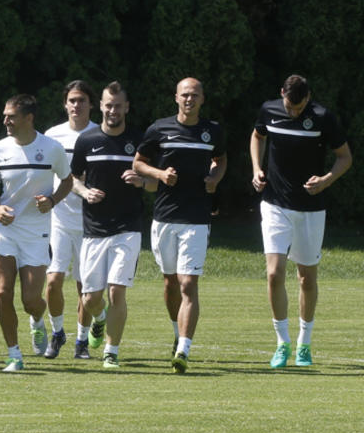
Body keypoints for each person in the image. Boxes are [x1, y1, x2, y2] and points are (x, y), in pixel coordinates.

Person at [250, 74, 352, 368]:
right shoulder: (269, 109)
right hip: (274, 204)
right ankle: (281, 343)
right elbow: (257, 136)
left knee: (306, 277)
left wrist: (326, 180)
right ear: (281, 93)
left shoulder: (323, 117)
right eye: (289, 106)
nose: (293, 112)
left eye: (299, 107)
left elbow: (345, 157)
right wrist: (256, 169)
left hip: (310, 208)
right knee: (274, 273)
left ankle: (304, 344)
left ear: (308, 98)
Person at [134, 77, 226, 373]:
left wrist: (215, 177)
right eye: (185, 94)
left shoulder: (212, 131)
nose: (189, 99)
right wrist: (160, 174)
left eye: (195, 95)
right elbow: (138, 163)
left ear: (202, 99)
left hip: (196, 218)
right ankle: (177, 332)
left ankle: (183, 350)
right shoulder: (159, 128)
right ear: (176, 97)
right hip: (164, 217)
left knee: (188, 283)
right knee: (170, 283)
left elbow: (221, 159)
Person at [0, 94, 72, 371]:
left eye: (11, 116)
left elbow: (67, 181)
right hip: (5, 231)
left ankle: (37, 320)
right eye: (5, 115)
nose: (5, 120)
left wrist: (52, 201)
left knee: (31, 300)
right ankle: (14, 355)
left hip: (37, 234)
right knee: (2, 292)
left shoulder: (52, 148)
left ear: (29, 118)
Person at [71, 82, 155, 369]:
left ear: (126, 107)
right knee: (90, 298)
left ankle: (111, 351)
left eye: (118, 105)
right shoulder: (87, 140)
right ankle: (100, 318)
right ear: (101, 106)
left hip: (128, 228)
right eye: (108, 105)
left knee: (117, 291)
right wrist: (85, 192)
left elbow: (157, 182)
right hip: (94, 230)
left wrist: (142, 181)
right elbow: (73, 179)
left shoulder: (140, 141)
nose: (113, 110)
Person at [43, 80, 99, 359]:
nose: (77, 105)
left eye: (82, 100)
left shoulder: (100, 134)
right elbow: (43, 172)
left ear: (91, 104)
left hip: (91, 222)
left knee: (84, 287)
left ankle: (82, 341)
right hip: (58, 220)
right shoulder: (52, 135)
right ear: (65, 104)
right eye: (72, 100)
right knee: (53, 281)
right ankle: (57, 333)